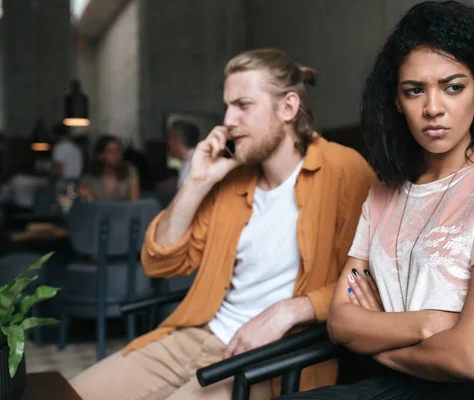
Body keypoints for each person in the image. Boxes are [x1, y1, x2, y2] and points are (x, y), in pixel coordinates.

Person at [278, 1, 474, 399]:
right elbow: (341, 322)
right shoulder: (381, 196)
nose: (433, 108)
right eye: (414, 91)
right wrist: (431, 323)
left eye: (453, 87)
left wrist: (377, 342)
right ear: (396, 100)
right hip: (404, 383)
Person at [70, 48, 377, 400]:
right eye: (227, 106)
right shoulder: (232, 180)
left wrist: (292, 310)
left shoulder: (345, 171)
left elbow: (370, 279)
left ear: (288, 108)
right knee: (72, 395)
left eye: (243, 105)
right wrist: (197, 182)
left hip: (274, 356)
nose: (227, 119)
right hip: (200, 333)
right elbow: (161, 262)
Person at [78, 135, 140, 201]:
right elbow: (88, 203)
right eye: (111, 152)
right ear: (100, 155)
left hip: (124, 211)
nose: (116, 155)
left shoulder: (129, 171)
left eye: (118, 151)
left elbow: (134, 202)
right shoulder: (89, 178)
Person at [166, 120, 201, 187]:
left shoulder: (191, 165)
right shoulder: (193, 159)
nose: (167, 143)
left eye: (169, 139)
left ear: (176, 141)